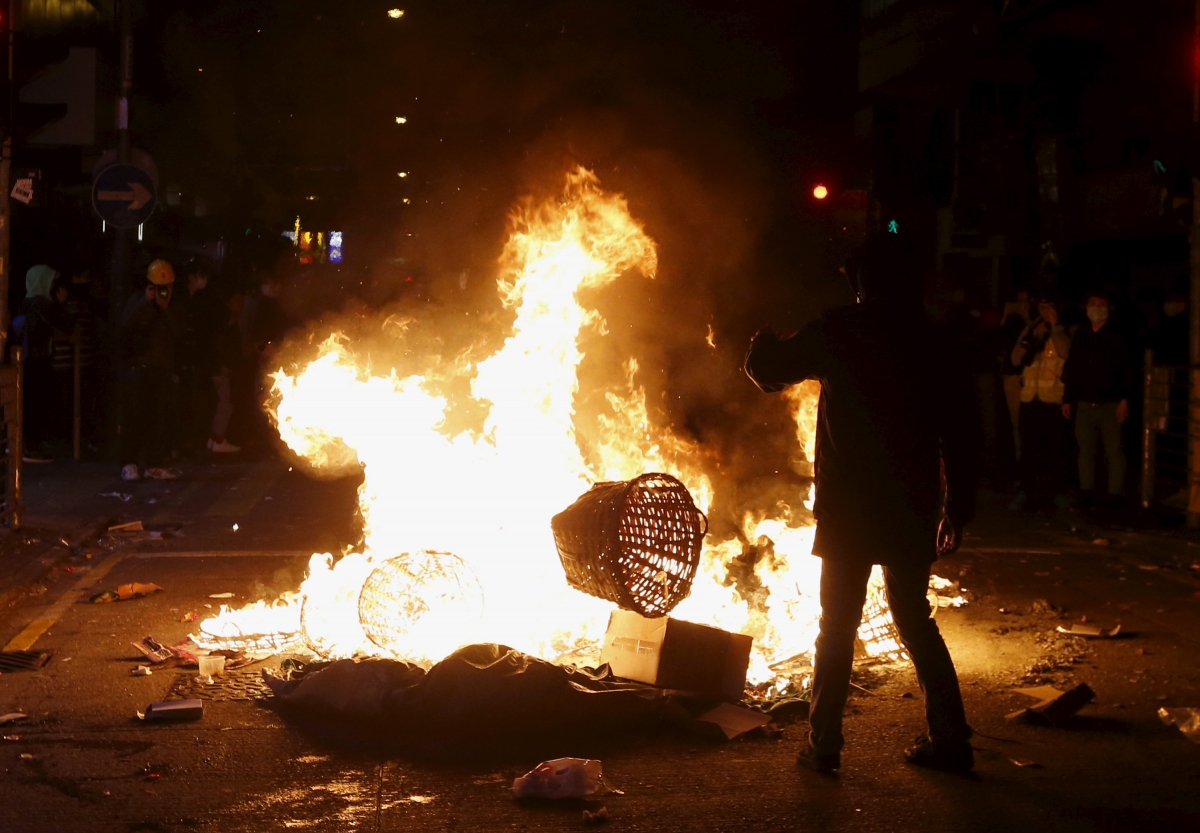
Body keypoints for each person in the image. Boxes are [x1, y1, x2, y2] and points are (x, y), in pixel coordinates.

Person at [744, 233, 980, 774]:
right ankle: (950, 740)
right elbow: (964, 434)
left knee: (837, 626)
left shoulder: (841, 330)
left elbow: (767, 374)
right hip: (911, 504)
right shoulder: (934, 340)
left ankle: (823, 745)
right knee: (915, 620)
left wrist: (761, 342)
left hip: (850, 506)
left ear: (864, 283)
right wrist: (957, 509)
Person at [1062, 290, 1133, 508]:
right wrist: (1068, 398)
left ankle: (1114, 498)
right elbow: (1073, 368)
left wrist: (1124, 400)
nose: (1097, 307)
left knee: (1114, 452)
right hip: (1084, 403)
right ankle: (1087, 497)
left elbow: (1127, 370)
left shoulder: (1118, 336)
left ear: (1109, 308)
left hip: (1110, 404)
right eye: (1092, 303)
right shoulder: (1081, 335)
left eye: (1101, 303)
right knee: (1085, 452)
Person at [119, 259, 186, 481]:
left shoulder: (174, 306)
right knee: (134, 418)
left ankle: (154, 464)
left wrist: (164, 308)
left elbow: (178, 333)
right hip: (137, 369)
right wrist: (146, 302)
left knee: (158, 419)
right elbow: (126, 324)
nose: (163, 291)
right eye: (157, 287)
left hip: (161, 370)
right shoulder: (137, 301)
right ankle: (129, 464)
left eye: (166, 287)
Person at [1009, 294, 1071, 511]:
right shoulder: (1030, 328)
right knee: (1028, 451)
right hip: (1029, 398)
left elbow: (1067, 352)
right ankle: (1026, 492)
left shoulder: (1064, 331)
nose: (1045, 311)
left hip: (1053, 400)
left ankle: (1058, 494)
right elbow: (1015, 360)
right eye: (1042, 306)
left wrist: (1055, 327)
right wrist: (1025, 346)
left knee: (1056, 451)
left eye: (1049, 307)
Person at [207, 291, 244, 453]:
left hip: (225, 369)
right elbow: (217, 344)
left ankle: (214, 439)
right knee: (224, 405)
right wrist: (221, 365)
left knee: (225, 404)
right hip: (221, 370)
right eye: (236, 301)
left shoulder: (232, 321)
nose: (240, 304)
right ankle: (218, 439)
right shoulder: (224, 321)